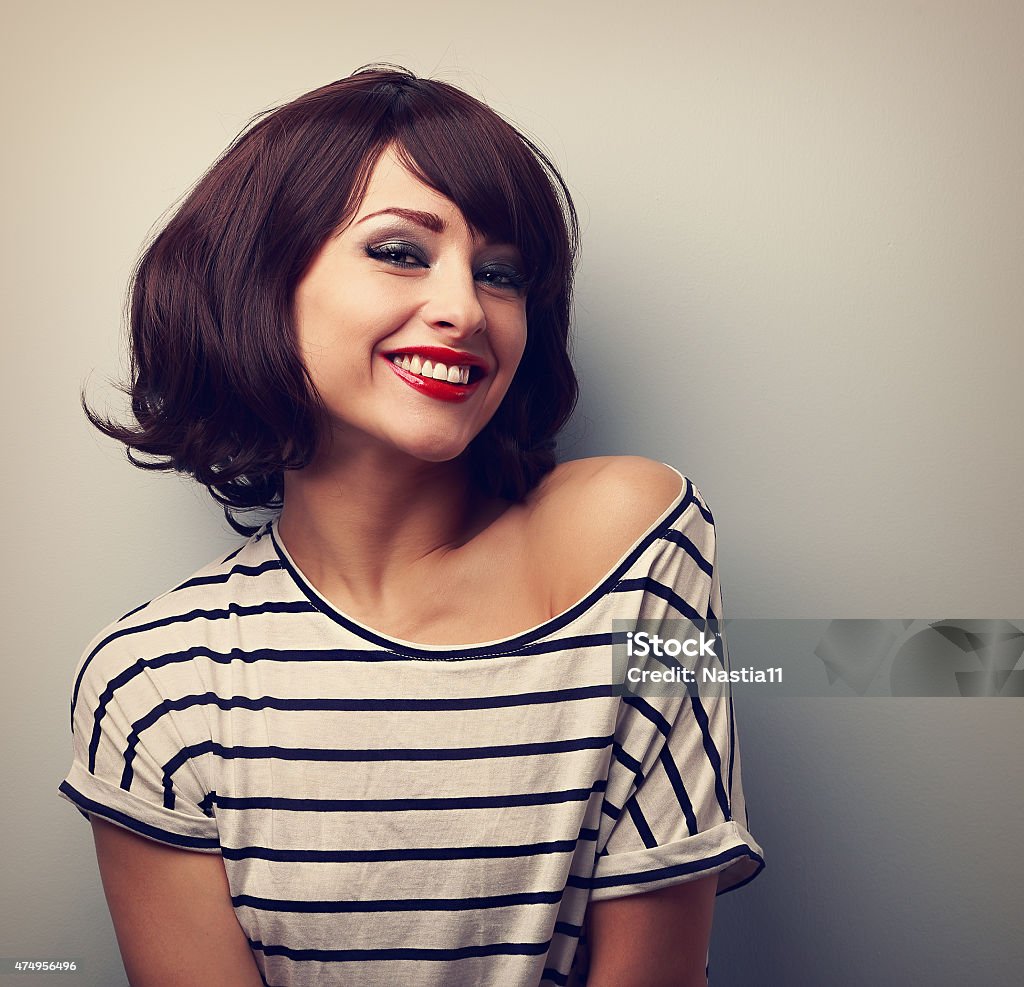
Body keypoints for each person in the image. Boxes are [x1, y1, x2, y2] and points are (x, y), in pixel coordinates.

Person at [58, 65, 764, 987]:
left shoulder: (631, 541)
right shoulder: (151, 678)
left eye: (500, 273)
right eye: (399, 251)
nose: (465, 309)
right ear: (261, 281)